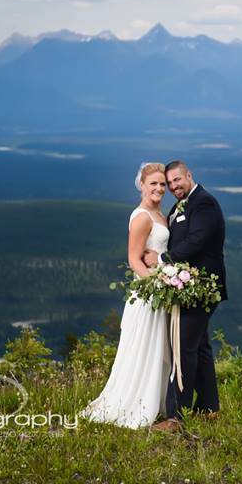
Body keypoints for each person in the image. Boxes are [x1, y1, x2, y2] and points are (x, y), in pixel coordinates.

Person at [79, 162, 171, 428]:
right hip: (148, 294)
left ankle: (159, 402)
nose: (159, 188)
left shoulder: (160, 215)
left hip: (159, 290)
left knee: (159, 349)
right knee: (145, 347)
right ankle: (136, 404)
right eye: (153, 183)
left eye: (162, 184)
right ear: (141, 185)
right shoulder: (142, 216)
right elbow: (134, 260)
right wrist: (157, 284)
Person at [144, 160, 228, 431]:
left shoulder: (203, 203)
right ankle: (208, 408)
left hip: (201, 288)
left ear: (189, 176)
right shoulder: (182, 204)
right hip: (192, 287)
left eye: (177, 180)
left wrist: (161, 258)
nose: (173, 186)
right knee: (199, 347)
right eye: (169, 183)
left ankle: (175, 418)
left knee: (183, 349)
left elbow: (197, 240)